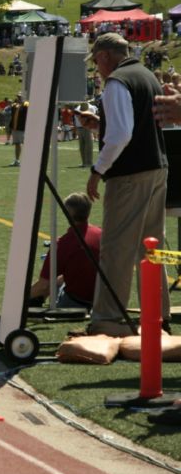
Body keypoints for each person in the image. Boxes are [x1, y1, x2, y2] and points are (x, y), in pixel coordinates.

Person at [77, 33, 170, 337]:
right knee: (151, 249)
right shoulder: (146, 75)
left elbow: (121, 135)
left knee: (116, 249)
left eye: (97, 62)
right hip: (156, 168)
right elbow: (136, 124)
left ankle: (108, 320)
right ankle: (157, 316)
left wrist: (97, 170)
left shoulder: (117, 81)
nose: (98, 70)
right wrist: (101, 124)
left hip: (129, 174)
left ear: (104, 56)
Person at [29, 193, 101, 310]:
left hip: (76, 302)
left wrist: (22, 299)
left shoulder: (62, 244)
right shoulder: (101, 234)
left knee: (48, 283)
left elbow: (43, 285)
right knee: (58, 280)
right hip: (103, 299)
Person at [9, 91, 28, 166]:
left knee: (23, 144)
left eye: (20, 96)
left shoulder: (26, 104)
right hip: (16, 128)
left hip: (22, 128)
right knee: (17, 144)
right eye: (18, 96)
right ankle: (17, 160)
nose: (18, 98)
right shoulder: (15, 105)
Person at [74, 101, 96, 166]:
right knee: (82, 147)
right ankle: (84, 162)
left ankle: (89, 162)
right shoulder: (77, 108)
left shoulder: (91, 107)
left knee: (88, 146)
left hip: (87, 128)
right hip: (79, 128)